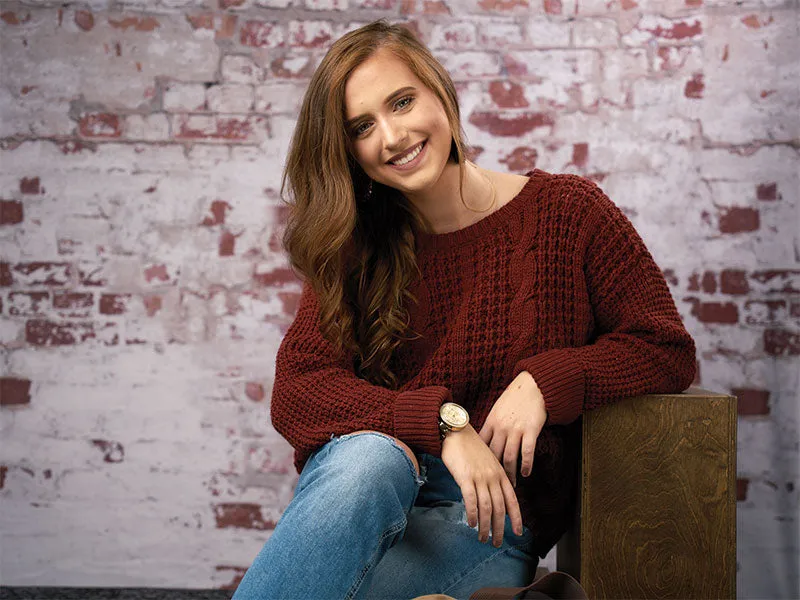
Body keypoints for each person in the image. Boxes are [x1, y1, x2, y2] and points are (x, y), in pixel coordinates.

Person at [232, 19, 696, 600]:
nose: (393, 135)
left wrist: (543, 382)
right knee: (370, 458)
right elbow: (298, 391)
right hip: (371, 504)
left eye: (402, 102)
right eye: (362, 127)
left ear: (441, 93)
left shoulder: (566, 212)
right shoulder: (358, 246)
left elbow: (665, 348)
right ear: (348, 152)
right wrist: (445, 424)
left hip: (485, 525)